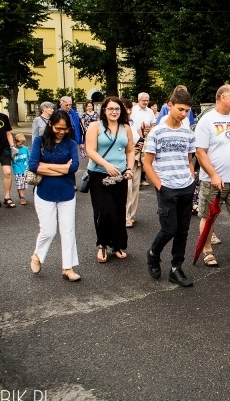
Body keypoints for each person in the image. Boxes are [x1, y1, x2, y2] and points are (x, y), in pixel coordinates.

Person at [144, 88, 196, 287]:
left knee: (182, 230)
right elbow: (147, 162)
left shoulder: (187, 131)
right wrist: (160, 186)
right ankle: (153, 253)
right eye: (181, 109)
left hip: (186, 186)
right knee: (169, 229)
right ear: (170, 106)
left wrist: (191, 179)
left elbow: (189, 159)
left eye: (187, 111)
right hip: (166, 187)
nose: (184, 114)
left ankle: (176, 268)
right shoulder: (157, 131)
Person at [196, 84, 230, 267]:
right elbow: (200, 152)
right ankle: (208, 251)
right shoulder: (207, 120)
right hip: (213, 181)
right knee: (209, 217)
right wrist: (213, 174)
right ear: (223, 97)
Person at [29, 110, 81, 282]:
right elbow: (34, 166)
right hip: (44, 192)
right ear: (50, 124)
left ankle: (68, 267)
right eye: (59, 128)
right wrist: (62, 169)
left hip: (66, 192)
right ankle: (37, 255)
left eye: (65, 129)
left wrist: (48, 166)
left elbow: (73, 168)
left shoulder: (71, 143)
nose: (62, 131)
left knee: (68, 231)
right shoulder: (40, 141)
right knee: (49, 230)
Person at [85, 96, 135, 262]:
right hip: (99, 174)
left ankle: (117, 245)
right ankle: (103, 245)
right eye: (111, 109)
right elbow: (90, 150)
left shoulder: (125, 127)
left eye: (117, 109)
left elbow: (130, 151)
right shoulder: (95, 126)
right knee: (105, 211)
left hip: (120, 175)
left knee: (119, 211)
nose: (114, 112)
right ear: (104, 110)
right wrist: (106, 165)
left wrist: (129, 169)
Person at [123, 99, 144, 228]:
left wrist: (140, 146)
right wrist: (130, 149)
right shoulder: (117, 124)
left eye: (130, 108)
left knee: (135, 187)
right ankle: (125, 216)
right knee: (127, 188)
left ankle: (131, 215)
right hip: (124, 160)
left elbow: (141, 137)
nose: (128, 111)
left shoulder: (134, 121)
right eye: (126, 108)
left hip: (137, 158)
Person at [12, 133, 30, 205]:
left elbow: (29, 157)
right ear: (15, 142)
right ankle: (22, 197)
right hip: (17, 169)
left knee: (24, 184)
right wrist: (13, 154)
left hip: (25, 168)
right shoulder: (13, 149)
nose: (21, 145)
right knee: (20, 183)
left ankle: (21, 193)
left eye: (23, 143)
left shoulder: (25, 149)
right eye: (20, 144)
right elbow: (11, 159)